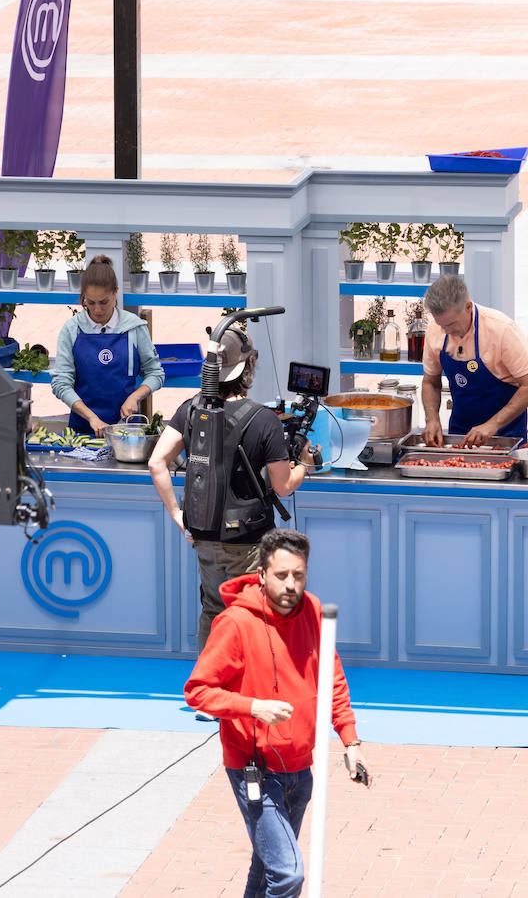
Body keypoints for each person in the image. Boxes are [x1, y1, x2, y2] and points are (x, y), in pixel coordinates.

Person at [184, 528, 369, 898]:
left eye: (298, 575)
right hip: (253, 767)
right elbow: (198, 691)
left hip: (300, 769)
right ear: (262, 574)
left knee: (266, 866)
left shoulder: (314, 611)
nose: (290, 585)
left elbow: (332, 678)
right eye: (282, 575)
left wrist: (351, 741)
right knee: (287, 876)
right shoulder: (235, 623)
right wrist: (253, 707)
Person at [148, 328, 318, 650]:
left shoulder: (190, 409)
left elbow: (157, 463)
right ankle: (249, 691)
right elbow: (283, 487)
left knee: (213, 611)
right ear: (249, 365)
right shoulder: (264, 419)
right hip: (249, 542)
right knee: (251, 616)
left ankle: (210, 688)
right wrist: (304, 465)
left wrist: (178, 514)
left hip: (204, 536)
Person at [421, 274, 528, 447]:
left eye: (452, 324)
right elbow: (430, 382)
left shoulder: (501, 330)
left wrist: (492, 425)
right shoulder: (436, 330)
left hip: (506, 435)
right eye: (441, 325)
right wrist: (431, 419)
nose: (446, 331)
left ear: (468, 307)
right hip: (460, 434)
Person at [50, 255, 165, 435]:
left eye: (104, 302)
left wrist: (135, 397)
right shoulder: (72, 329)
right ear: (83, 298)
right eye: (90, 302)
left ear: (115, 293)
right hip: (82, 429)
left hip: (127, 430)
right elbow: (61, 383)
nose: (97, 310)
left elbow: (155, 373)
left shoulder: (135, 327)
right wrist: (92, 418)